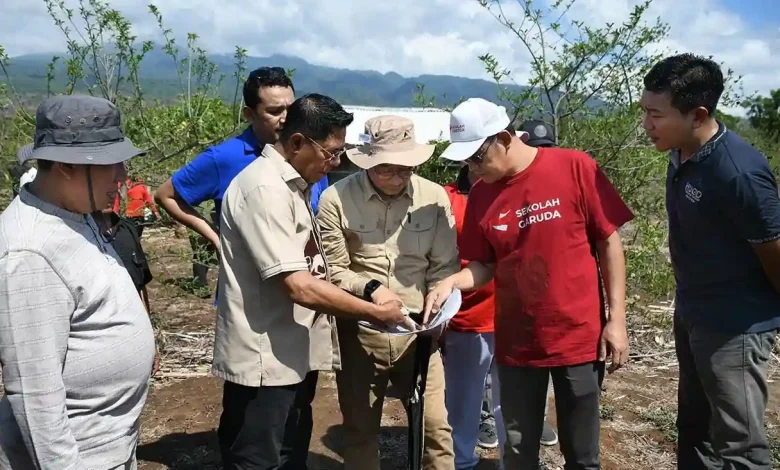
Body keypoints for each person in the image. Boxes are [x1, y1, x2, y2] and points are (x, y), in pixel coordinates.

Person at [426, 98, 633, 470]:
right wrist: (452, 282)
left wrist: (616, 319)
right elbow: (485, 265)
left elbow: (608, 241)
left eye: (477, 158)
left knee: (582, 452)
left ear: (503, 139)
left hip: (577, 336)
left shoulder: (574, 166)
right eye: (466, 162)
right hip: (517, 342)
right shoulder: (483, 196)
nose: (472, 169)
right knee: (520, 451)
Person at [213, 94, 415, 470]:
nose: (335, 163)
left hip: (290, 353)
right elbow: (299, 285)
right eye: (331, 152)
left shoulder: (292, 185)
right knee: (258, 460)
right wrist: (374, 312)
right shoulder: (265, 190)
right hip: (263, 361)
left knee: (290, 455)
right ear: (297, 143)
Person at [0, 95, 155, 469]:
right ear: (67, 167)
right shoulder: (29, 253)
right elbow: (35, 395)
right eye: (110, 163)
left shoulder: (75, 212)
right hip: (80, 457)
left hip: (110, 443)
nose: (122, 175)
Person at [641, 53, 780, 470]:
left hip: (734, 325)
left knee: (739, 443)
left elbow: (774, 250)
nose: (647, 124)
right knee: (695, 426)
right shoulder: (681, 153)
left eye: (655, 114)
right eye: (644, 111)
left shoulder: (737, 172)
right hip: (693, 311)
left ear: (698, 114)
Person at [316, 115, 459, 470]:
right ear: (367, 162)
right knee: (361, 430)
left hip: (418, 335)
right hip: (361, 333)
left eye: (405, 169)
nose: (397, 177)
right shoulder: (336, 199)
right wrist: (371, 289)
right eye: (386, 170)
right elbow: (334, 269)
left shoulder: (434, 197)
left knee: (436, 429)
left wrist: (438, 302)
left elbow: (444, 264)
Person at [154, 67, 330, 291]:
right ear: (249, 114)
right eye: (275, 111)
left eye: (291, 110)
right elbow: (165, 195)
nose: (286, 119)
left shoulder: (311, 155)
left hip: (308, 285)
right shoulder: (225, 158)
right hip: (248, 294)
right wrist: (216, 238)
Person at [442, 157, 558, 470]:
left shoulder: (520, 195)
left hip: (516, 318)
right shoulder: (447, 199)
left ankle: (516, 462)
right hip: (469, 317)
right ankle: (462, 462)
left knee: (513, 403)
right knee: (463, 400)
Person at [93, 202, 160, 377]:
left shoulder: (128, 229)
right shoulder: (79, 233)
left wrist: (149, 341)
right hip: (97, 346)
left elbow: (140, 287)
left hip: (132, 339)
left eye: (115, 183)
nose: (111, 190)